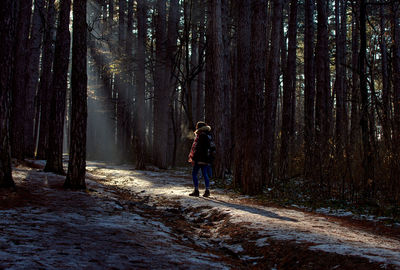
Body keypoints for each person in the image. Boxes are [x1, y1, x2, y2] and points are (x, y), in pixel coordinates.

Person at [188, 121, 212, 197]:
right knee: (205, 174)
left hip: (199, 159)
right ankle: (207, 190)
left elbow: (197, 149)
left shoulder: (200, 136)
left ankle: (196, 190)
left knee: (194, 174)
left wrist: (193, 159)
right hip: (206, 159)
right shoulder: (209, 135)